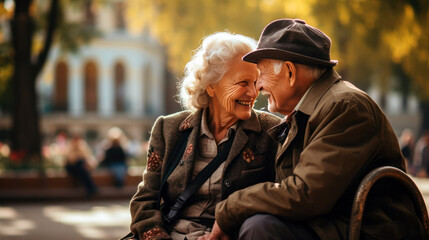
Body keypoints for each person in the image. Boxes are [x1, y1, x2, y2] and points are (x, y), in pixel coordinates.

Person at [201, 19, 426, 240]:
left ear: (289, 72)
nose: (258, 87)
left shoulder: (345, 106)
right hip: (333, 224)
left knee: (260, 227)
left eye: (262, 75)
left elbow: (306, 194)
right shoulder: (310, 112)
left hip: (370, 230)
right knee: (255, 223)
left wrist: (231, 208)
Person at [124, 32, 281, 240]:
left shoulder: (272, 131)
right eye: (243, 83)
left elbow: (281, 196)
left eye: (255, 82)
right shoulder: (168, 129)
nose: (253, 93)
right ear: (211, 85)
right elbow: (144, 200)